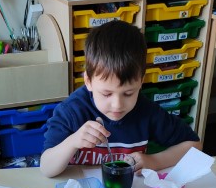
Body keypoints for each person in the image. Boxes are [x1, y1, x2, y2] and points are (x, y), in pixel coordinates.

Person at [40, 20, 201, 178]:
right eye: (106, 94)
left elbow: (195, 146)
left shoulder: (147, 112)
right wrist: (73, 142)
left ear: (141, 81)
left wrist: (154, 161)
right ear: (88, 81)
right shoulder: (72, 112)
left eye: (128, 93)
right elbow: (46, 168)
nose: (117, 105)